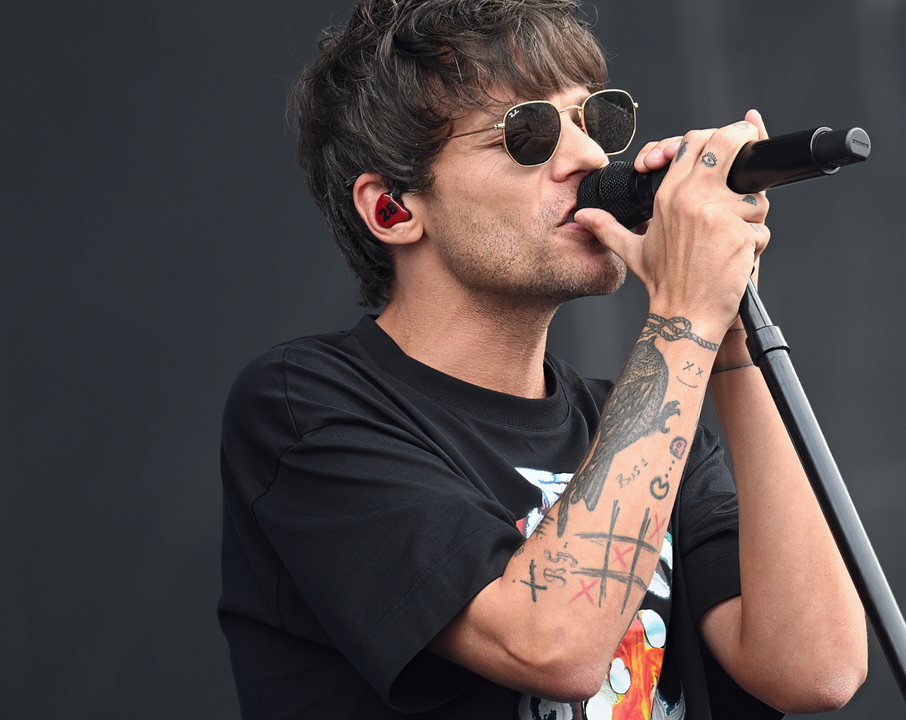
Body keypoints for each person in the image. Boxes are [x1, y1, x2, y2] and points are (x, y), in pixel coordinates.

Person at [218, 1, 867, 717]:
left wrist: (728, 342)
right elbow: (553, 644)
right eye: (529, 134)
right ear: (393, 210)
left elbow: (817, 671)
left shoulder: (652, 424)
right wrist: (683, 317)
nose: (591, 157)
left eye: (599, 122)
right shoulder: (305, 406)